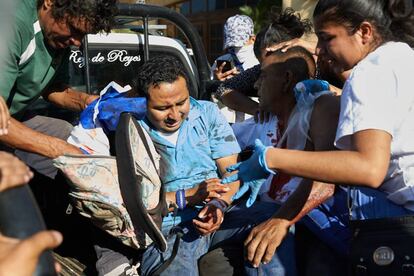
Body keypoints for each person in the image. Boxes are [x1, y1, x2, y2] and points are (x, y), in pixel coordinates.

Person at [223, 0, 414, 265]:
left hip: (399, 217)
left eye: (326, 39)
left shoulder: (369, 73)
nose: (319, 49)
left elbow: (368, 168)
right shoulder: (401, 55)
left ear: (365, 32)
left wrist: (271, 158)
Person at [90, 55, 295, 276]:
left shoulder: (207, 113)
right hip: (171, 228)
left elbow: (232, 174)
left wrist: (219, 204)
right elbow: (140, 203)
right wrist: (189, 195)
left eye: (181, 103)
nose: (175, 115)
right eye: (163, 108)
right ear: (143, 102)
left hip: (221, 216)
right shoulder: (131, 130)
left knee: (274, 220)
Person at [0, 0, 118, 179]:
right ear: (50, 2)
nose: (77, 42)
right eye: (73, 29)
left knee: (64, 132)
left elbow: (52, 88)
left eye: (84, 35)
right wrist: (59, 149)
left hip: (13, 117)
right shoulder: (11, 20)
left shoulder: (56, 37)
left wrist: (89, 103)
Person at [214, 8, 314, 120]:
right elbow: (223, 89)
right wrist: (258, 110)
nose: (257, 84)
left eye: (270, 57)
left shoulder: (323, 68)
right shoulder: (261, 71)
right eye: (263, 68)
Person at [212, 14, 259, 81]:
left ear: (253, 39)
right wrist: (216, 81)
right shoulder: (219, 63)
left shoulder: (261, 62)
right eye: (231, 46)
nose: (235, 50)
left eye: (239, 46)